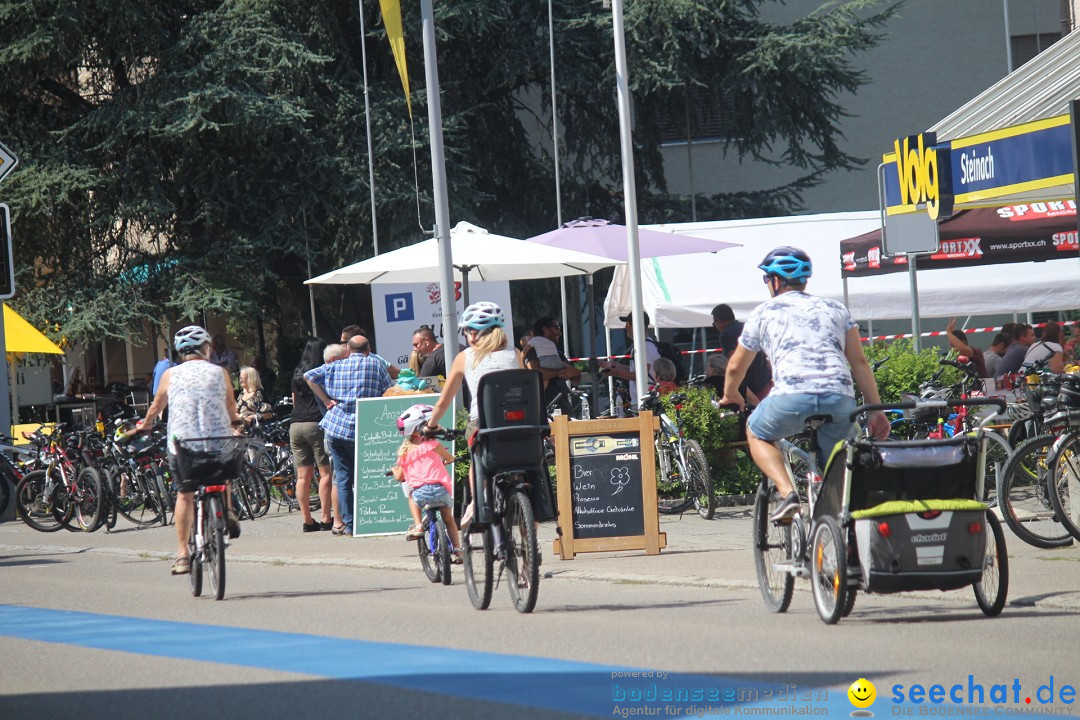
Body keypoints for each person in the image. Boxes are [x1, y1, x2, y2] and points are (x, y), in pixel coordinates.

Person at [719, 246, 889, 523]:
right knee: (835, 465)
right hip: (839, 399)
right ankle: (836, 531)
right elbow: (859, 362)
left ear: (774, 281)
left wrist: (731, 395)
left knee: (757, 432)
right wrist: (875, 410)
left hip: (790, 398)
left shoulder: (763, 313)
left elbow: (737, 365)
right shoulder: (836, 309)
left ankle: (789, 495)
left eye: (766, 280)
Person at [136, 325, 243, 575]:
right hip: (218, 442)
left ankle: (183, 554)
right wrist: (235, 420)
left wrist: (146, 425)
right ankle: (226, 510)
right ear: (206, 349)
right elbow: (229, 403)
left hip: (183, 445)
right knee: (223, 471)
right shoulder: (220, 372)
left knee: (185, 494)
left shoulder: (170, 375)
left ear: (181, 352)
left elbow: (157, 405)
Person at [425, 302, 522, 529]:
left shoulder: (465, 357)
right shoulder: (515, 353)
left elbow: (444, 401)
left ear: (473, 333)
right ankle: (528, 513)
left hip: (483, 424)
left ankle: (477, 502)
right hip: (519, 422)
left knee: (475, 457)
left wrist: (431, 425)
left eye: (466, 331)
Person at [305, 335, 392, 535]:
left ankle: (350, 524)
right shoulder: (375, 365)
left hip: (335, 427)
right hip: (363, 427)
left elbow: (308, 376)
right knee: (366, 476)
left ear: (349, 350)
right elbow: (389, 390)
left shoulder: (336, 366)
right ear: (368, 349)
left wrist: (326, 399)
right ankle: (372, 519)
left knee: (343, 477)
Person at [392, 403, 462, 562]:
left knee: (410, 494)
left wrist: (395, 470)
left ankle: (418, 526)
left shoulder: (405, 453)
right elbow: (449, 458)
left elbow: (400, 477)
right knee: (448, 519)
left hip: (421, 494)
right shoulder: (434, 445)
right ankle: (458, 550)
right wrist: (446, 460)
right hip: (441, 491)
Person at [290, 337, 335, 533]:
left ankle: (307, 520)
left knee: (302, 476)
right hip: (315, 423)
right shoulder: (320, 373)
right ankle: (326, 518)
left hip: (295, 425)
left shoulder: (297, 373)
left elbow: (294, 400)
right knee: (325, 472)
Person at [600, 312, 660, 406]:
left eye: (628, 324)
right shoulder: (646, 345)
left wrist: (616, 372)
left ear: (635, 325)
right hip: (642, 399)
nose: (626, 328)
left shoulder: (644, 347)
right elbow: (636, 371)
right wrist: (615, 366)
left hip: (645, 400)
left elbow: (641, 375)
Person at [523, 317, 580, 415]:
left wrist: (574, 372)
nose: (559, 333)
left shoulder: (559, 354)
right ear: (545, 329)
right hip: (544, 410)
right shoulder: (533, 351)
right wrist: (560, 372)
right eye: (556, 328)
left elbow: (576, 380)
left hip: (564, 407)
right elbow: (537, 374)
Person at [712, 303, 771, 399]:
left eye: (714, 323)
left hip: (749, 382)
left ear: (719, 320)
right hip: (763, 378)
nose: (715, 326)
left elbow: (733, 360)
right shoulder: (746, 327)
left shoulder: (726, 335)